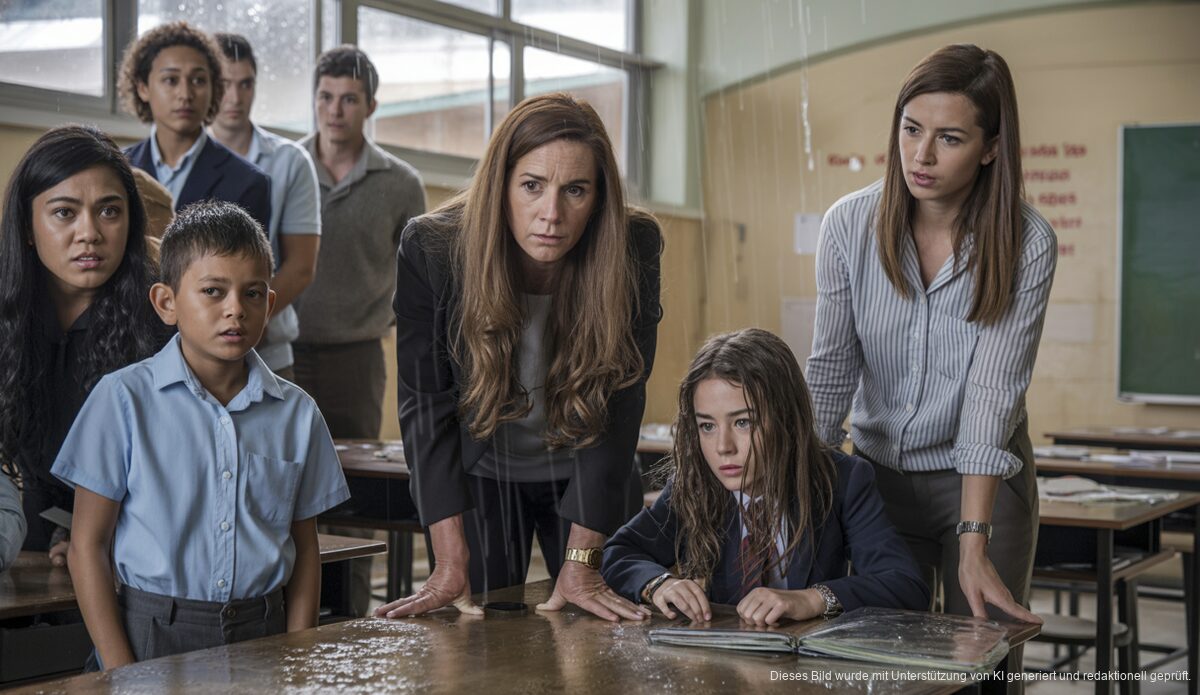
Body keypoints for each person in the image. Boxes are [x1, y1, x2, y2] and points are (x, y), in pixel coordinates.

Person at [377, 93, 663, 623]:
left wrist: (582, 561)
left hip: (589, 469)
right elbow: (426, 406)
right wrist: (447, 560)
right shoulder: (433, 249)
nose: (551, 214)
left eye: (575, 190)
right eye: (532, 186)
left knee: (599, 637)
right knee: (486, 631)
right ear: (501, 185)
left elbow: (622, 406)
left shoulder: (633, 244)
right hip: (485, 469)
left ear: (599, 198)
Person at [806, 44, 1053, 630]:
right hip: (874, 481)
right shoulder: (849, 224)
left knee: (986, 655)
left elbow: (993, 393)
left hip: (979, 485)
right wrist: (801, 498)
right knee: (883, 657)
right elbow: (831, 372)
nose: (920, 155)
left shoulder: (1027, 243)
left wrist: (974, 539)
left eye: (950, 138)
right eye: (911, 129)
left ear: (991, 147)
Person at [54, 201, 350, 669]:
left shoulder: (297, 414)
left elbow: (305, 546)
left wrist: (299, 654)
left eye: (253, 294)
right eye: (213, 291)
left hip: (264, 635)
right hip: (150, 637)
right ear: (166, 303)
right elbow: (87, 545)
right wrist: (119, 670)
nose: (235, 309)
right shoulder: (122, 400)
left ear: (269, 305)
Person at [602, 329, 929, 624]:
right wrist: (660, 584)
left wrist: (811, 599)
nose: (723, 447)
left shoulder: (843, 479)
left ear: (786, 418)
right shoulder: (695, 483)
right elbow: (619, 552)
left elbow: (904, 584)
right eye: (707, 426)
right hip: (724, 667)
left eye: (743, 422)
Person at [0, 125, 165, 561]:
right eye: (64, 213)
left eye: (109, 211)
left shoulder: (163, 321)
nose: (89, 232)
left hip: (139, 538)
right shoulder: (9, 315)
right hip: (33, 529)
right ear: (28, 226)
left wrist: (92, 538)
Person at [293, 45, 424, 437]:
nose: (335, 111)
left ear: (371, 107)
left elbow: (417, 279)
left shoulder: (402, 184)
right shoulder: (281, 168)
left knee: (356, 475)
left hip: (359, 355)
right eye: (326, 97)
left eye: (349, 100)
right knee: (282, 469)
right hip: (281, 348)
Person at [210, 33, 321, 380]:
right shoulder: (181, 161)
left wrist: (245, 316)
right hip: (187, 349)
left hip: (269, 351)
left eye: (246, 84)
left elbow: (301, 266)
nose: (235, 97)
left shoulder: (290, 162)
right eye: (225, 84)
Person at [119, 21, 272, 234]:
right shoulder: (117, 170)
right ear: (143, 88)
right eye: (171, 80)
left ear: (214, 88)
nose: (185, 94)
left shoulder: (248, 183)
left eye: (198, 80)